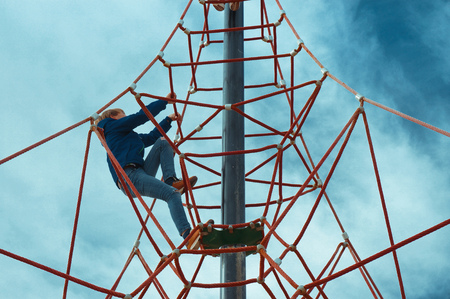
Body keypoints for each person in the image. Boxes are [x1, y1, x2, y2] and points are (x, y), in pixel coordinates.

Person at [95, 93, 202, 250]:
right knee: (171, 194)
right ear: (113, 116)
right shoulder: (110, 126)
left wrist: (168, 120)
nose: (125, 117)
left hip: (139, 171)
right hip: (129, 177)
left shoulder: (128, 136)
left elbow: (152, 137)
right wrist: (164, 101)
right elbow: (140, 117)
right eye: (123, 115)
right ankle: (188, 236)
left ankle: (171, 179)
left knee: (162, 142)